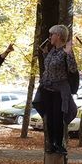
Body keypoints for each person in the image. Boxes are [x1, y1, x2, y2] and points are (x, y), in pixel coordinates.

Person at [33, 25, 78, 155]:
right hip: (47, 90)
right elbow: (50, 68)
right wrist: (45, 53)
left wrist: (69, 53)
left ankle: (59, 144)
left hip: (59, 91)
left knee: (58, 118)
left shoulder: (66, 51)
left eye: (51, 34)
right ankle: (51, 143)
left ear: (58, 36)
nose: (50, 37)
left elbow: (73, 69)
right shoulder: (52, 51)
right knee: (49, 118)